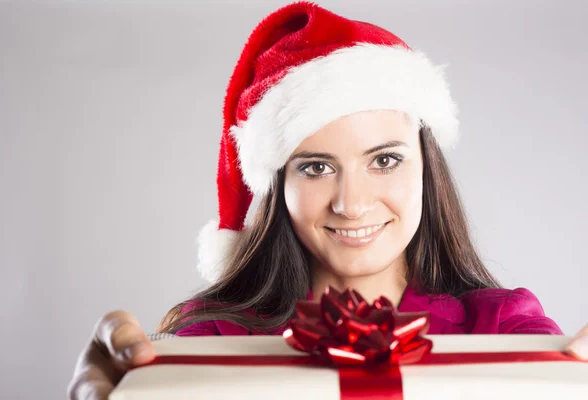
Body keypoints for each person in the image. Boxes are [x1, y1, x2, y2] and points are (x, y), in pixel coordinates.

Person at [67, 2, 588, 399]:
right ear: (278, 187)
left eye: (384, 160)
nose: (351, 203)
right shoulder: (211, 338)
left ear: (427, 169)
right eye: (316, 168)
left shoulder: (502, 328)